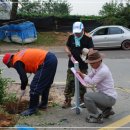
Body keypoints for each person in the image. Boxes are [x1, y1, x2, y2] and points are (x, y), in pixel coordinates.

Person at [2, 48, 58, 116]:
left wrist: (23, 89)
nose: (11, 67)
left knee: (34, 87)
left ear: (9, 62)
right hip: (51, 58)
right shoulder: (18, 55)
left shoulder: (16, 62)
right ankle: (43, 105)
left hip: (45, 61)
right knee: (45, 84)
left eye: (9, 66)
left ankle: (32, 109)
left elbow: (24, 79)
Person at [77, 50, 117, 123]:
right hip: (106, 95)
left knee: (87, 96)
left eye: (93, 63)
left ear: (99, 61)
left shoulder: (103, 70)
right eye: (90, 63)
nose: (91, 65)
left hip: (109, 98)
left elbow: (92, 82)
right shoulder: (96, 67)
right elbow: (89, 76)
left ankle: (95, 117)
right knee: (92, 96)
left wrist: (82, 75)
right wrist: (82, 74)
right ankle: (107, 110)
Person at [62, 21, 94, 108]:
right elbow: (66, 47)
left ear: (83, 29)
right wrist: (68, 52)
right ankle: (67, 100)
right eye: (75, 32)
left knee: (82, 84)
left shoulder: (88, 38)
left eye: (79, 32)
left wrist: (88, 53)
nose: (77, 33)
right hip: (72, 64)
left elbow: (91, 49)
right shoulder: (71, 37)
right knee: (69, 83)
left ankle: (83, 100)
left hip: (83, 66)